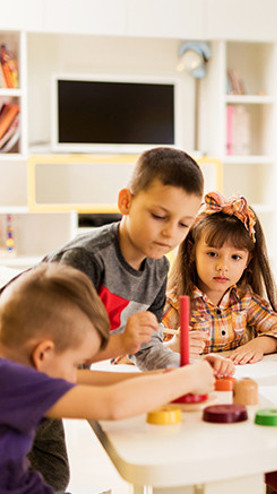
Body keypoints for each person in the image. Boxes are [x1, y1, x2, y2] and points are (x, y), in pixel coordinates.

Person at [26, 146, 220, 492]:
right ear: (126, 202)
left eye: (183, 224)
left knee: (52, 476)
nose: (170, 233)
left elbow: (146, 346)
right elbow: (53, 350)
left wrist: (180, 367)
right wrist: (121, 344)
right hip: (28, 370)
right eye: (159, 216)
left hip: (62, 378)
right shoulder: (85, 259)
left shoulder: (158, 269)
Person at [0, 263, 236, 494]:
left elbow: (81, 381)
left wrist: (169, 376)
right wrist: (188, 378)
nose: (75, 371)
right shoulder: (11, 379)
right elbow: (111, 403)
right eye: (74, 362)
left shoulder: (16, 370)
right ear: (43, 353)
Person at [163, 191, 277, 365]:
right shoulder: (173, 303)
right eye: (212, 254)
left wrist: (259, 345)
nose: (223, 267)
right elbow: (127, 355)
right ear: (192, 252)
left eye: (235, 257)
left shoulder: (244, 300)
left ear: (247, 261)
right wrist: (172, 347)